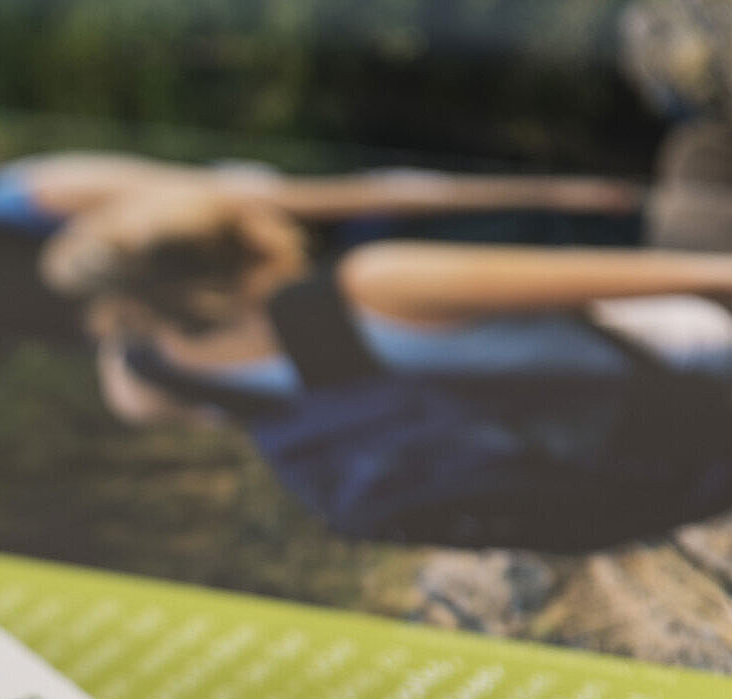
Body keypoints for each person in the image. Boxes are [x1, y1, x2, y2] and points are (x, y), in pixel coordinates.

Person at [42, 184, 732, 549]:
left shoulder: (154, 376)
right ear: (250, 237)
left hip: (608, 477)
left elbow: (126, 376)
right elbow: (691, 275)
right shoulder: (375, 284)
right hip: (691, 383)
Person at [0, 112, 643, 350]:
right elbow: (295, 202)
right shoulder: (33, 191)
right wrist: (546, 190)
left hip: (321, 321)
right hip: (382, 246)